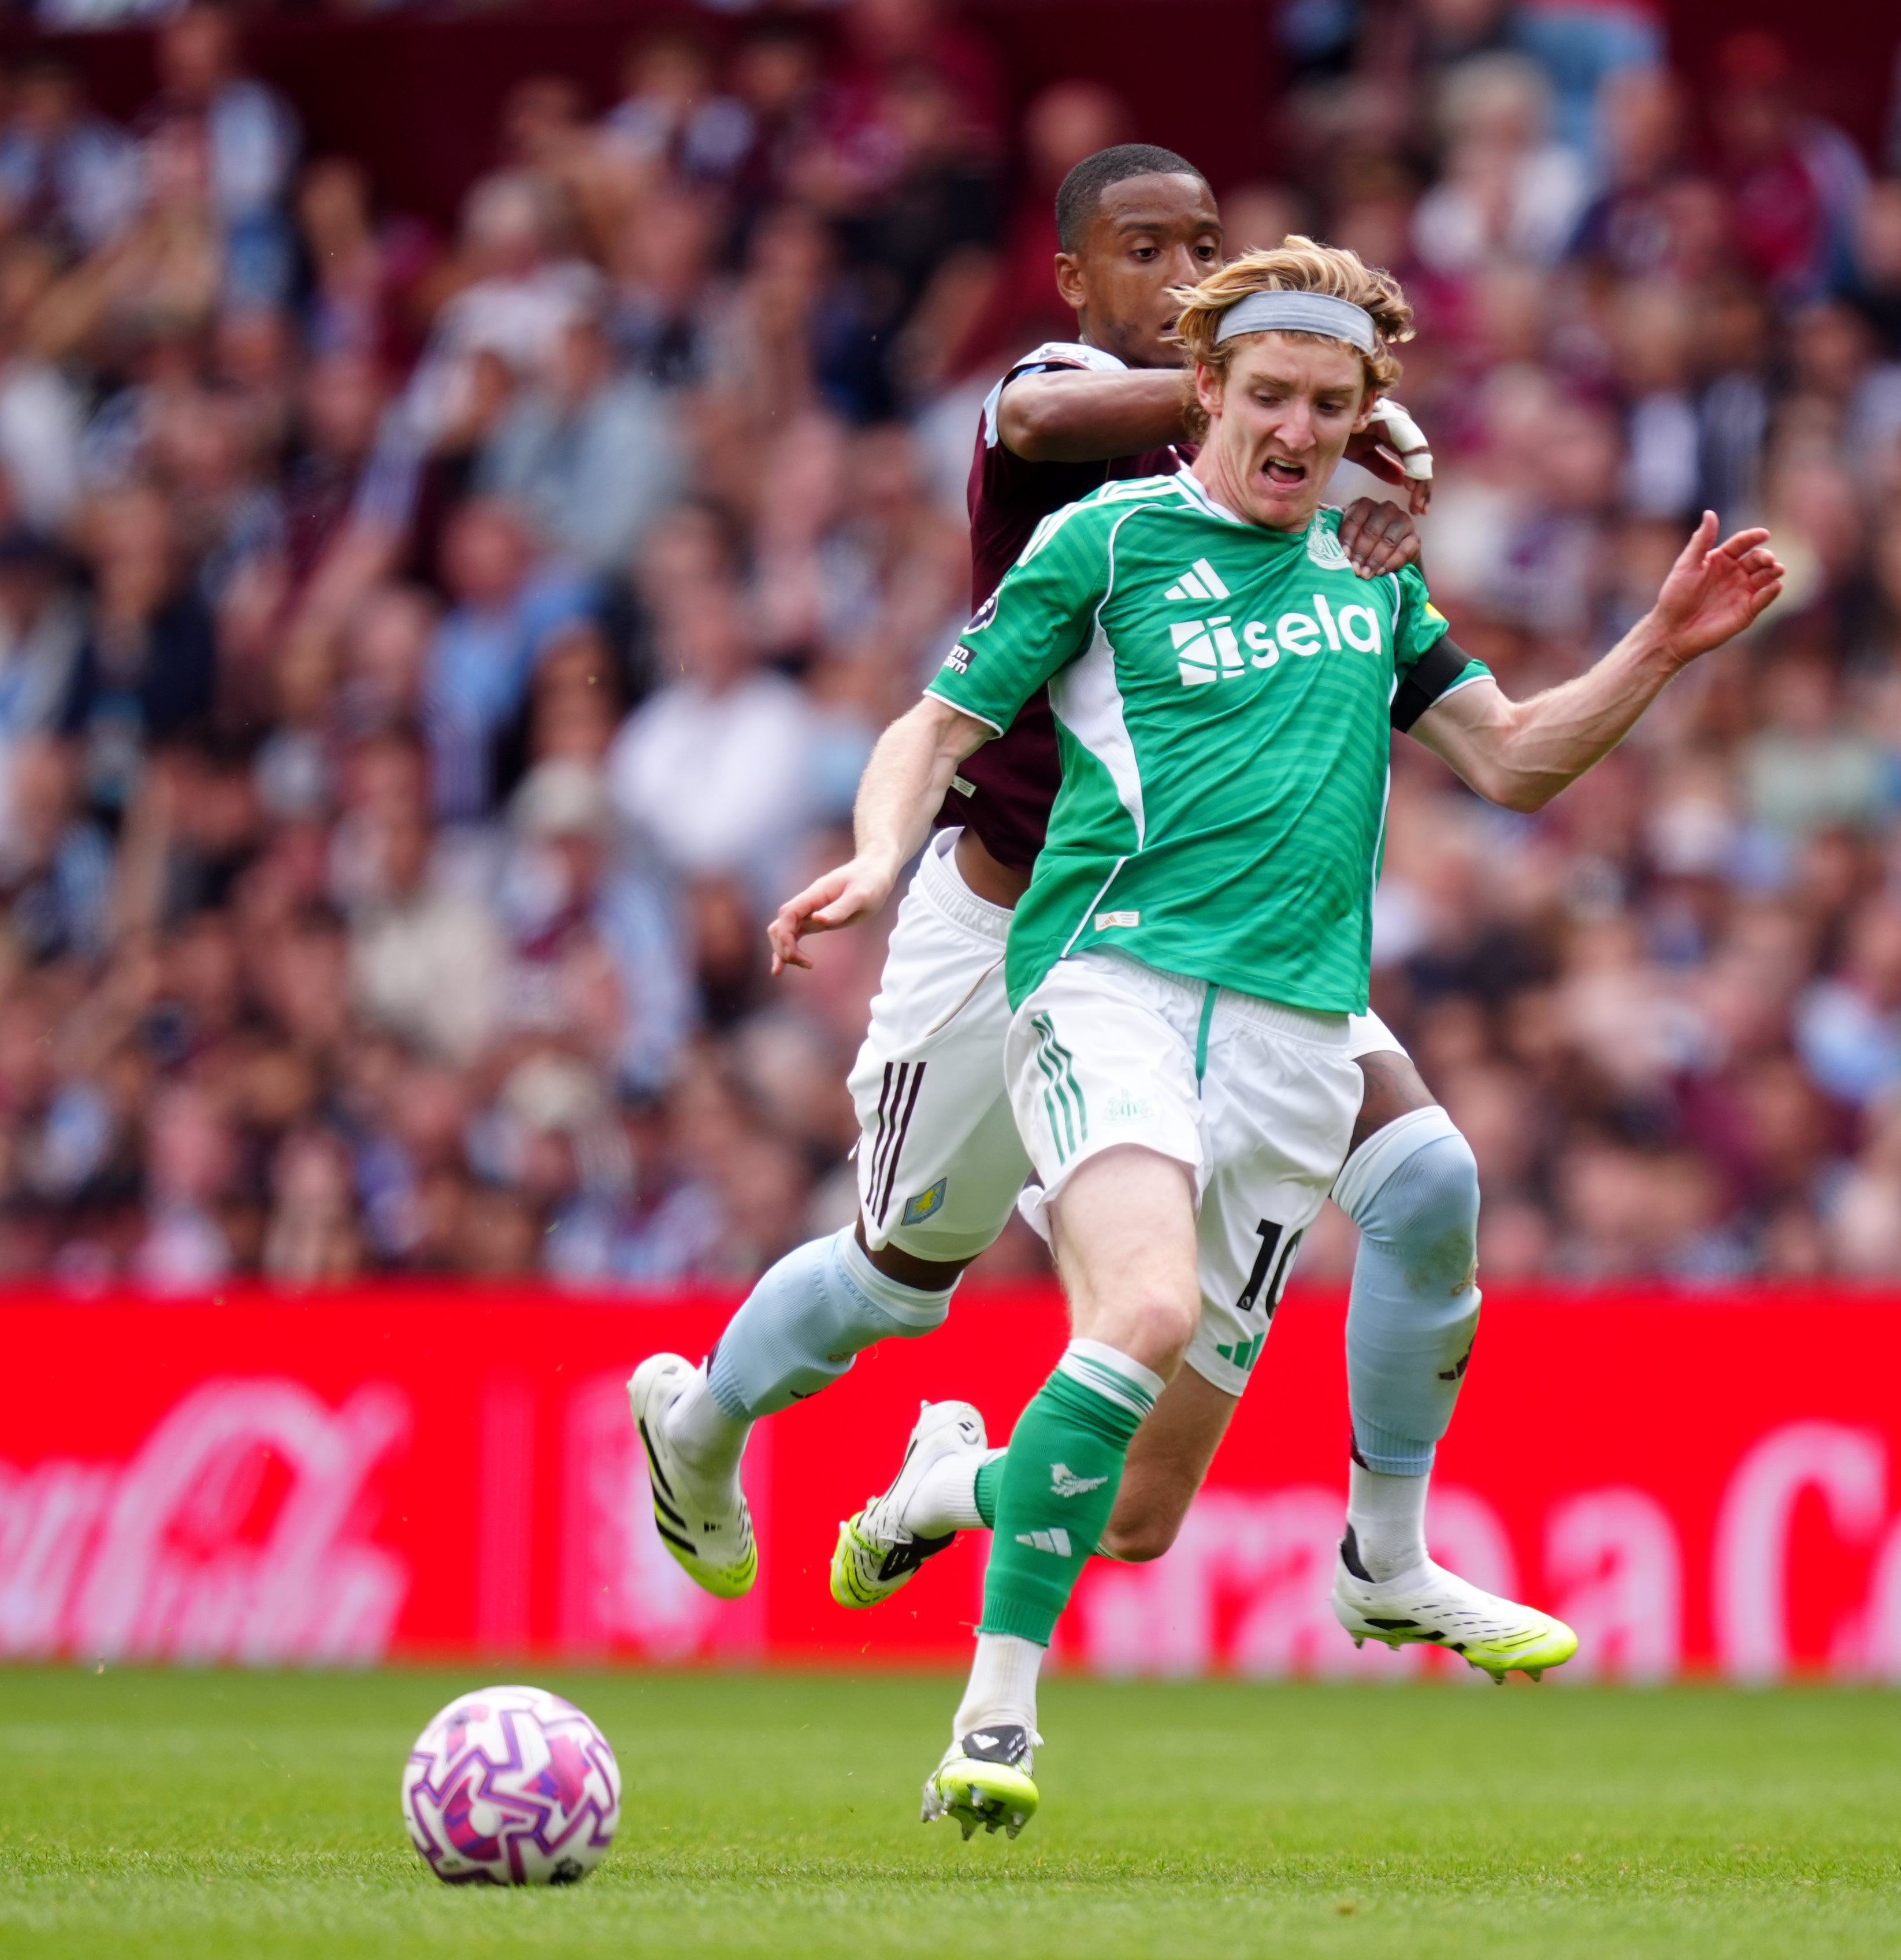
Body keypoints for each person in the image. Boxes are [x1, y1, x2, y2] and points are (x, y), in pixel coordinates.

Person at [767, 240, 1781, 1835]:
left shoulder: (1371, 582)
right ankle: (996, 1715)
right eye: (1265, 397)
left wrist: (1653, 648)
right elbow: (938, 720)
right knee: (1146, 1304)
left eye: (1327, 403)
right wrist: (883, 853)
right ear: (1209, 401)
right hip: (1109, 984)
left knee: (1146, 1510)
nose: (1294, 429)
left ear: (1362, 416)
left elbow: (1512, 761)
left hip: (1295, 1042)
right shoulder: (1108, 540)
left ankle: (956, 1486)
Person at [623, 146, 1477, 1634]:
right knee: (901, 1280)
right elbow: (1040, 408)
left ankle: (1383, 1558)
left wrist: (1382, 481)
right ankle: (701, 1426)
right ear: (1078, 281)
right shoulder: (1066, 401)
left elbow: (1381, 561)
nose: (1178, 278)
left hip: (1211, 948)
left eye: (1204, 246)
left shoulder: (1271, 460)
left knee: (1426, 1179)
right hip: (1005, 922)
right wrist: (1288, 393)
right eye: (1142, 253)